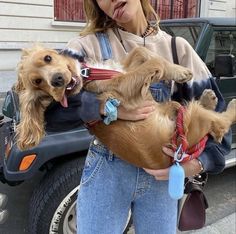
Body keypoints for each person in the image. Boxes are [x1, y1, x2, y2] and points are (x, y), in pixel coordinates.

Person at [64, 1, 232, 233]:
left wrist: (194, 165)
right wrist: (106, 108)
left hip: (161, 175)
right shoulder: (86, 48)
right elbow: (52, 108)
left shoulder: (177, 48)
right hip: (108, 170)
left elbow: (219, 127)